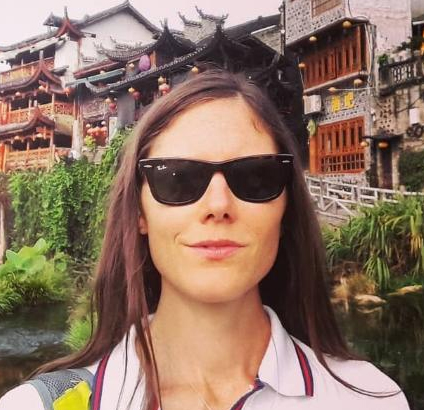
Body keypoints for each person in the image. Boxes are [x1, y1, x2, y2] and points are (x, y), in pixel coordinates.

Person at [0, 69, 410, 410]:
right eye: (178, 179)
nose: (218, 205)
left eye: (256, 177)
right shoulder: (42, 405)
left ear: (286, 208)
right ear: (139, 212)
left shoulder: (369, 398)